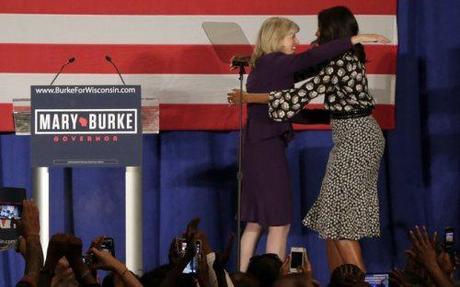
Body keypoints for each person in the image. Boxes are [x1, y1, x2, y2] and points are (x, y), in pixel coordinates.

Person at [228, 7, 390, 272]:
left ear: (331, 32)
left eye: (319, 28)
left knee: (340, 222)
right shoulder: (337, 60)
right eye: (292, 36)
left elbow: (299, 92)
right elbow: (302, 70)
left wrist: (250, 98)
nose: (313, 34)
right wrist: (256, 60)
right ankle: (342, 279)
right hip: (350, 135)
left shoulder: (342, 61)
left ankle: (354, 281)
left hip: (357, 138)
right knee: (331, 220)